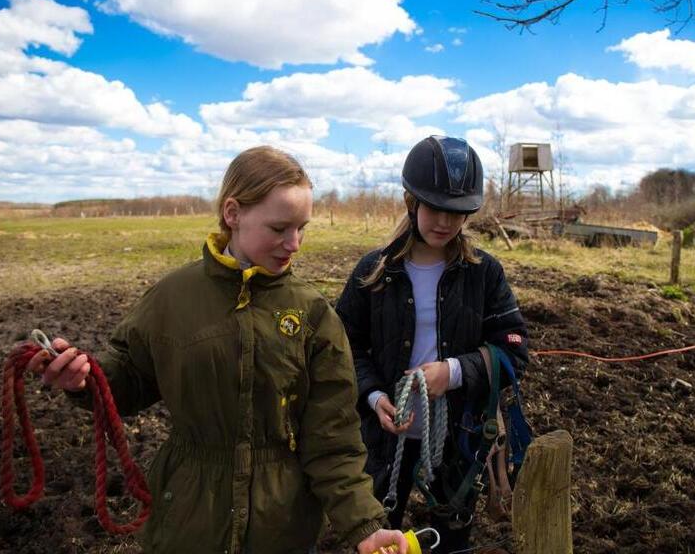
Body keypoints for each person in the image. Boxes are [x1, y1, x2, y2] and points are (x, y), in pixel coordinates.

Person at [27, 146, 409, 554]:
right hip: (189, 520)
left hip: (282, 527)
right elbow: (128, 379)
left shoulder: (312, 314)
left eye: (302, 228)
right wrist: (83, 377)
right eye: (279, 228)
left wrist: (364, 524)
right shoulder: (172, 298)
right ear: (233, 213)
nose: (294, 243)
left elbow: (332, 438)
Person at [336, 135, 530, 553]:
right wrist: (372, 396)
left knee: (454, 538)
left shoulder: (484, 274)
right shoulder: (374, 272)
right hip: (384, 438)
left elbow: (513, 347)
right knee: (373, 534)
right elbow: (344, 345)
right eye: (435, 208)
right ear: (412, 202)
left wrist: (453, 372)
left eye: (457, 213)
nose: (444, 222)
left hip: (459, 436)